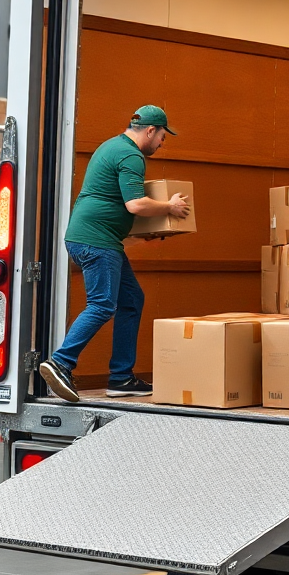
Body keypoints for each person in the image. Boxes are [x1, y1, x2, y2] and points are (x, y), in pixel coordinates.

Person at [39, 105, 190, 402]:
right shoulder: (131, 155)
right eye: (162, 136)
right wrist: (169, 207)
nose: (162, 142)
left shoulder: (111, 146)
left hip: (95, 238)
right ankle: (61, 362)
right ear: (150, 131)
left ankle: (121, 378)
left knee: (131, 299)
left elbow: (114, 201)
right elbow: (135, 204)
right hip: (97, 240)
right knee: (102, 304)